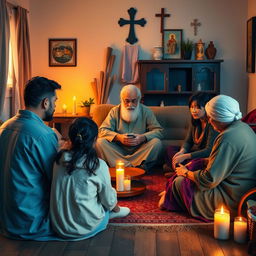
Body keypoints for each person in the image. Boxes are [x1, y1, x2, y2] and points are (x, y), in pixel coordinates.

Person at [159, 95, 256, 220]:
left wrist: (186, 173)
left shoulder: (227, 137)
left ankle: (172, 195)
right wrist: (201, 162)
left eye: (211, 117)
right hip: (242, 189)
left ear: (220, 118)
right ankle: (173, 194)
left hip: (232, 197)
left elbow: (209, 180)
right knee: (192, 164)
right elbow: (229, 161)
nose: (209, 120)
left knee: (179, 182)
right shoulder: (243, 127)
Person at [0, 76, 61, 240]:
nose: (56, 106)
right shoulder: (44, 135)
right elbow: (56, 180)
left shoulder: (4, 127)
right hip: (30, 222)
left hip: (5, 220)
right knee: (96, 215)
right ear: (45, 103)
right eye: (55, 101)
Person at [50, 117, 130, 240]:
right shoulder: (98, 165)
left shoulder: (58, 159)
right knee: (108, 195)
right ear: (94, 140)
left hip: (58, 226)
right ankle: (111, 213)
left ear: (71, 138)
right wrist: (116, 209)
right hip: (86, 228)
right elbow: (107, 200)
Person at [96, 84, 163, 172]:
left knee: (157, 143)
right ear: (121, 100)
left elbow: (159, 131)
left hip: (139, 151)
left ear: (139, 99)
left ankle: (124, 166)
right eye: (126, 101)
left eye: (134, 101)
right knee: (100, 142)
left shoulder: (146, 111)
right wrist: (118, 137)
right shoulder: (115, 111)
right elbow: (102, 130)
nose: (130, 105)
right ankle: (137, 168)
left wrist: (142, 138)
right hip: (118, 151)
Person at [164, 92, 219, 177]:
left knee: (193, 162)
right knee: (170, 149)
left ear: (206, 107)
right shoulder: (195, 121)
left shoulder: (212, 123)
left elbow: (209, 150)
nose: (193, 111)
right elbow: (188, 141)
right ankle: (179, 171)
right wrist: (182, 152)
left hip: (205, 157)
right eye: (191, 107)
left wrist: (186, 156)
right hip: (195, 153)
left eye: (197, 107)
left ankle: (177, 171)